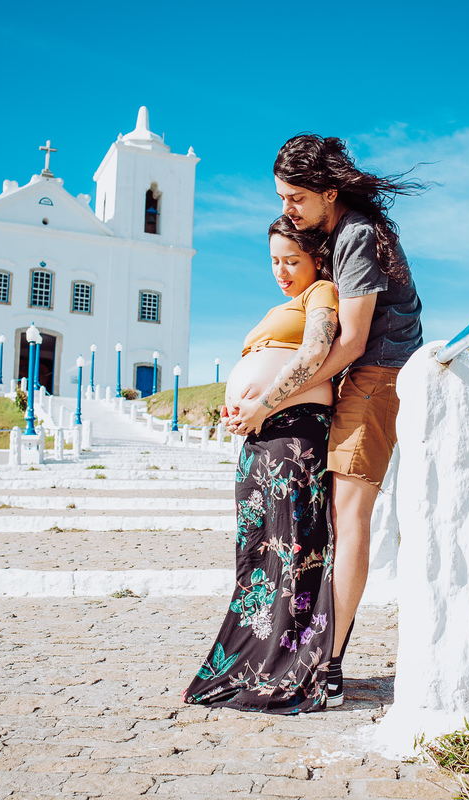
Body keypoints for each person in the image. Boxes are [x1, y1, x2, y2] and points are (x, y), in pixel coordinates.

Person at [230, 134, 425, 707]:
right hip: (352, 380)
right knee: (329, 523)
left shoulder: (357, 235)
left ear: (329, 192)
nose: (287, 208)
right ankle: (309, 650)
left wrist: (270, 401)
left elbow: (354, 341)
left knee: (349, 516)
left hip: (376, 376)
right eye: (282, 197)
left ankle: (329, 665)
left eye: (295, 198)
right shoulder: (335, 237)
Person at [184, 216, 340, 713]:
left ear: (316, 258)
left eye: (292, 260)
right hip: (260, 438)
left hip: (294, 432)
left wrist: (263, 403)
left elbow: (316, 352)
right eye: (274, 261)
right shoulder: (277, 309)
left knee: (293, 550)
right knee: (257, 555)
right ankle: (251, 663)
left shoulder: (320, 293)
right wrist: (241, 409)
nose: (281, 270)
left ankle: (293, 669)